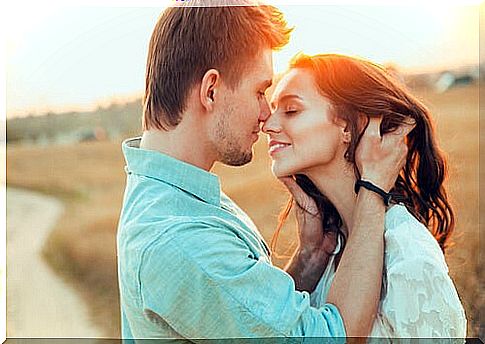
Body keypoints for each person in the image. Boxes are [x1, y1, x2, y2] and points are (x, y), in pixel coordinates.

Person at [116, 2, 409, 340]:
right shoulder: (182, 239)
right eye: (259, 91)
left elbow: (242, 320)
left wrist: (310, 259)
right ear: (211, 91)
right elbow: (331, 336)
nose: (265, 114)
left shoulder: (174, 197)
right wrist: (373, 189)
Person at [264, 53, 467, 338]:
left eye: (291, 110)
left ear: (348, 126)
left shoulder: (408, 256)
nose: (268, 125)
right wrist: (308, 259)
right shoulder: (329, 248)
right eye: (273, 109)